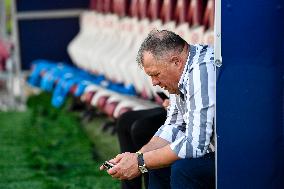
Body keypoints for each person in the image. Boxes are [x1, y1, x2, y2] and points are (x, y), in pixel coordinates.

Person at [100, 30, 216, 189]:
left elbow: (195, 144)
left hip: (234, 154)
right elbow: (174, 125)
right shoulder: (180, 72)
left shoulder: (201, 70)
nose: (154, 83)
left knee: (183, 169)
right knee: (156, 163)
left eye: (156, 74)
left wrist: (140, 162)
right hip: (211, 149)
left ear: (176, 62)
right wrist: (138, 157)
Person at [116, 99, 169, 189]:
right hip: (173, 108)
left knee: (141, 129)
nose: (154, 83)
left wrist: (139, 160)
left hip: (185, 111)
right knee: (125, 119)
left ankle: (148, 181)